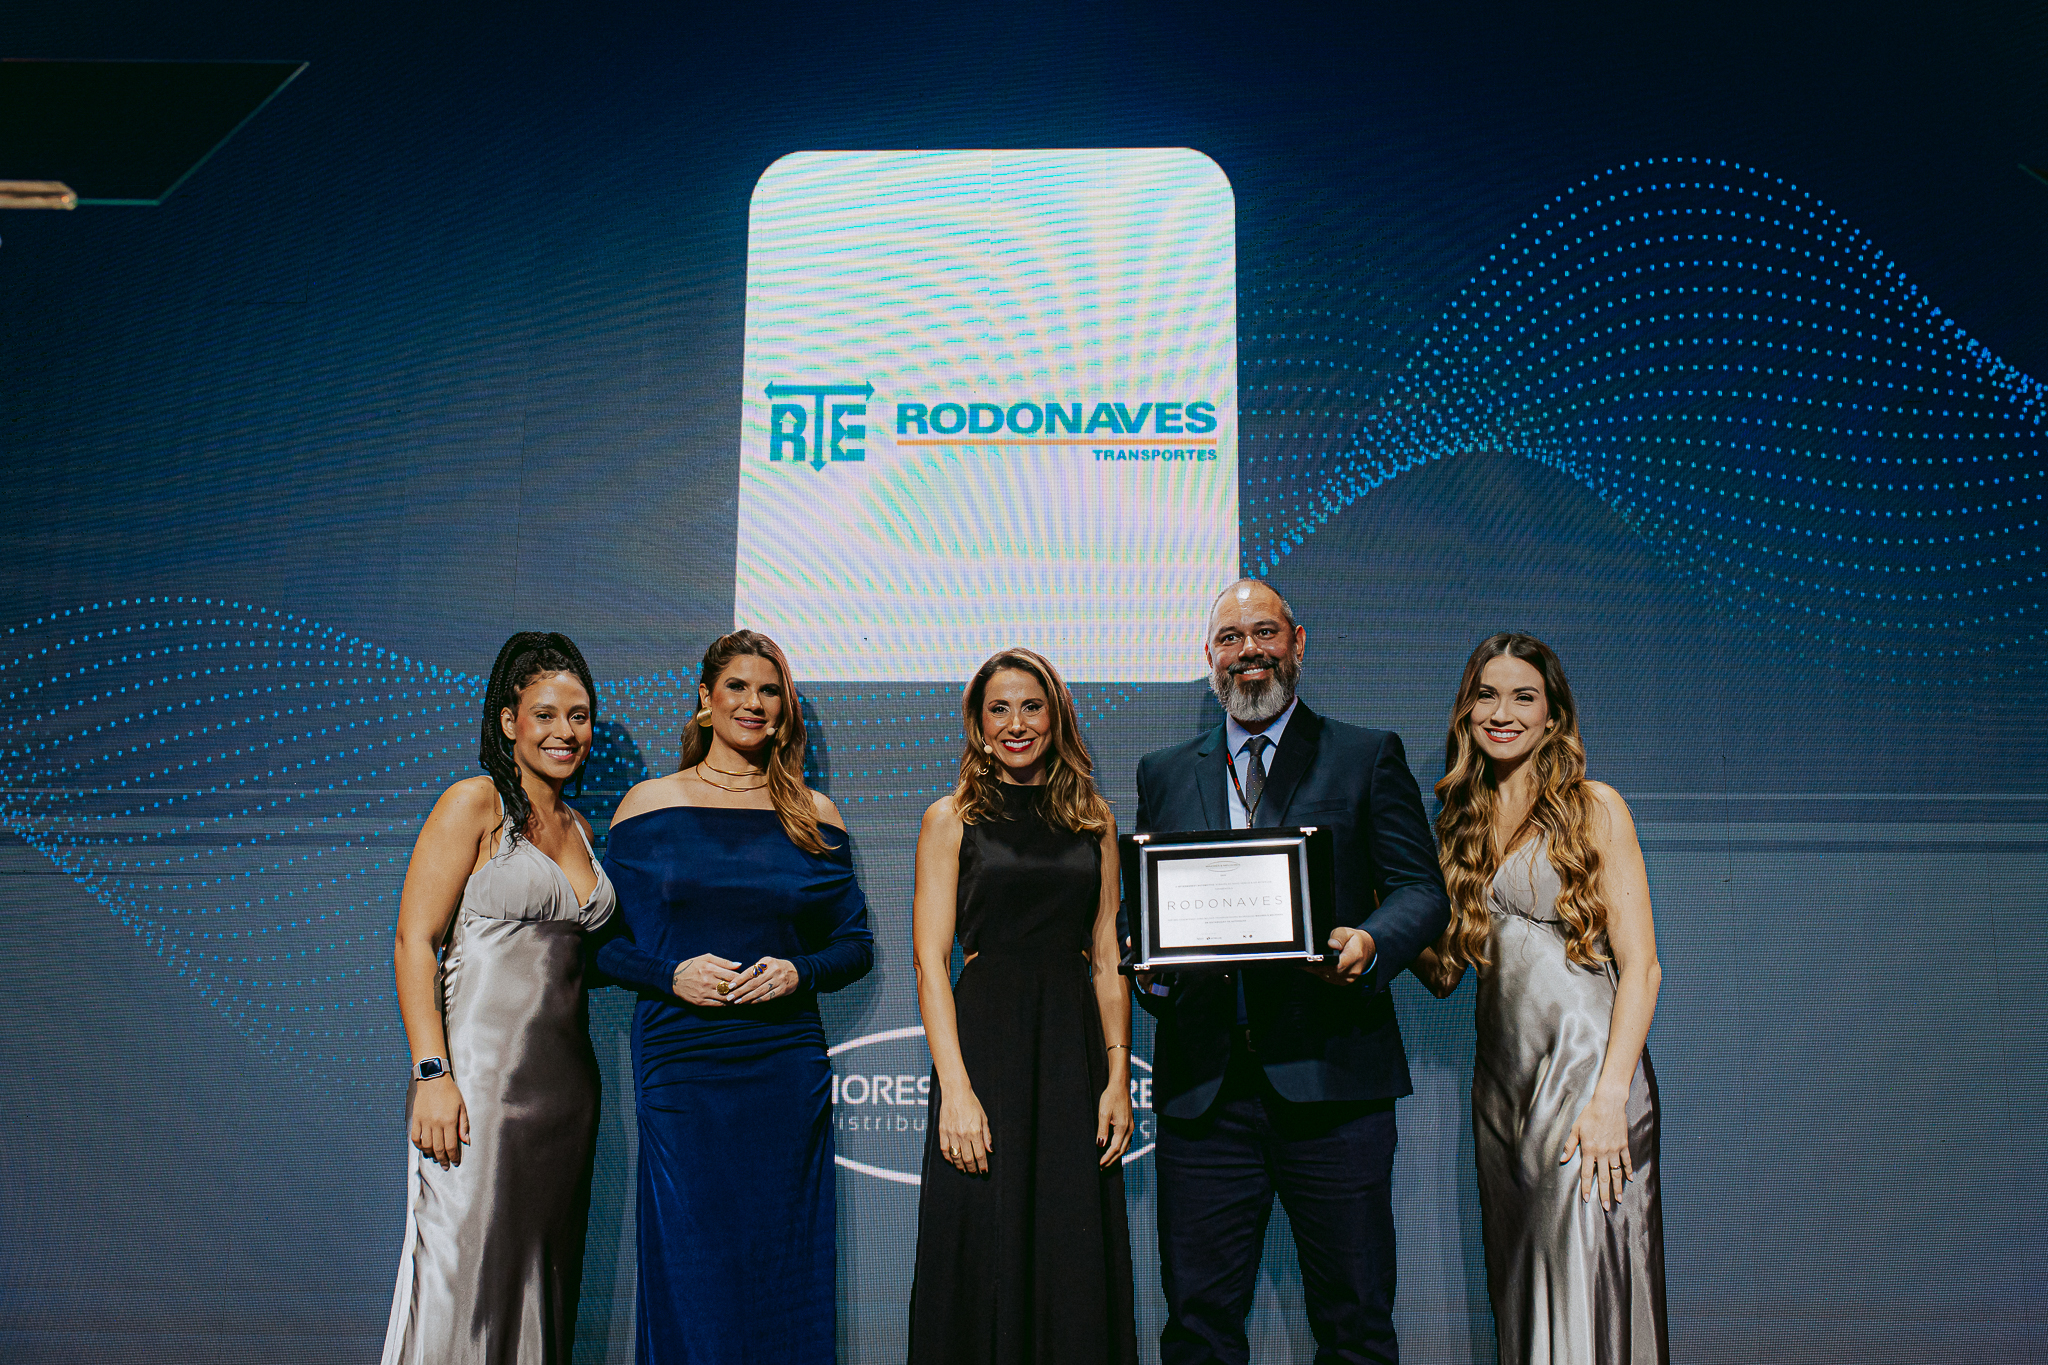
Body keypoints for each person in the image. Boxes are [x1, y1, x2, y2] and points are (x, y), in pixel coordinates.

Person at [1131, 579, 1450, 1365]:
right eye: (1231, 638)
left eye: (1265, 633)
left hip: (1333, 1080)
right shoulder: (1163, 771)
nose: (1250, 651)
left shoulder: (1365, 753)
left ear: (1297, 642)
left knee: (1355, 1323)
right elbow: (1147, 910)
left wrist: (1370, 941)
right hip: (1204, 1092)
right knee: (1198, 1327)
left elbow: (1420, 889)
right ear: (1210, 655)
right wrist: (1148, 966)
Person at [593, 629, 873, 1365]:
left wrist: (799, 971)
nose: (754, 703)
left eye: (770, 690)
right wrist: (670, 975)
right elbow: (598, 947)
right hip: (681, 1065)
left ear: (785, 709)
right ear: (705, 698)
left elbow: (855, 945)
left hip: (782, 1066)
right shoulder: (648, 805)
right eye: (739, 687)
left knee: (783, 1263)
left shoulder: (815, 813)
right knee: (693, 1264)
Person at [1411, 633, 1668, 1364]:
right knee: (1525, 1289)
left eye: (1523, 697)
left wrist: (1611, 1098)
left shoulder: (1594, 807)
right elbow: (1444, 973)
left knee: (1585, 1284)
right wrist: (1375, 917)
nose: (1503, 713)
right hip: (1504, 1094)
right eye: (1487, 696)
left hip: (1589, 1083)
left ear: (1553, 715)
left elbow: (1643, 968)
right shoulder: (1458, 826)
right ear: (1467, 711)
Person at [381, 631, 615, 1365]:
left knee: (540, 1292)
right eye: (545, 714)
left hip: (566, 1101)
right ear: (509, 720)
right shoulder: (474, 802)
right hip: (476, 1093)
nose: (565, 732)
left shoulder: (582, 829)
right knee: (461, 1287)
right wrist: (431, 1073)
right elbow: (414, 941)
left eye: (579, 716)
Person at [908, 648, 1139, 1365]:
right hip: (985, 1050)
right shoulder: (950, 818)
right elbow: (929, 963)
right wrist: (955, 1090)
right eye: (999, 709)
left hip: (1071, 1053)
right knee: (980, 1242)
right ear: (978, 726)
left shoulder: (1093, 820)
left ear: (1055, 716)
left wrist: (1117, 1078)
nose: (1016, 723)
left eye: (1031, 706)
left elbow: (1108, 956)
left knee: (1070, 1249)